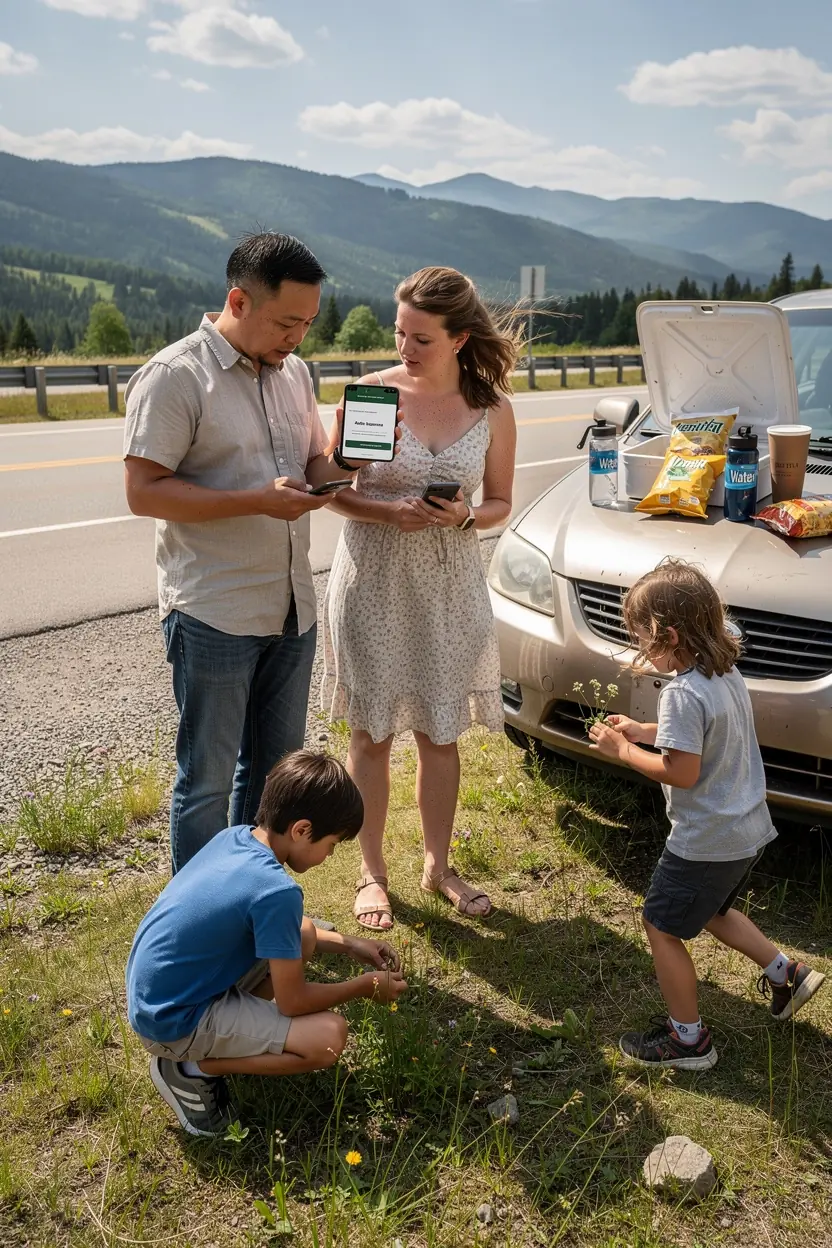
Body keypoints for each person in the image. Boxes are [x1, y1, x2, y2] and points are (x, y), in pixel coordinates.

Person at [124, 233, 361, 872]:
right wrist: (258, 499)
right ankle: (199, 924)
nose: (298, 338)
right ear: (238, 299)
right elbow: (144, 492)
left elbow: (311, 462)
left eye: (309, 324)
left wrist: (345, 462)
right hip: (214, 611)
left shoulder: (296, 373)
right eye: (288, 322)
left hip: (292, 609)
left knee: (274, 782)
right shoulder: (174, 377)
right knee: (205, 780)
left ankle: (252, 911)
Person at [323, 266, 519, 929]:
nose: (404, 349)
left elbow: (499, 503)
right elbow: (334, 490)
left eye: (421, 339)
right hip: (373, 581)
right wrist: (388, 511)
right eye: (399, 333)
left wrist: (464, 516)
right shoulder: (374, 396)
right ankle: (371, 873)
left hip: (450, 588)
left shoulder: (491, 407)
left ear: (461, 338)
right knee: (371, 734)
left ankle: (438, 865)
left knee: (441, 733)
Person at [589, 559, 825, 1070]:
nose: (639, 650)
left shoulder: (680, 692)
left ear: (668, 636)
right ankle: (788, 973)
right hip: (747, 830)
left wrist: (619, 750)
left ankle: (688, 1042)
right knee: (712, 912)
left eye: (641, 639)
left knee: (661, 926)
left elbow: (682, 771)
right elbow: (702, 739)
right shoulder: (723, 671)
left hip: (706, 839)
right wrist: (641, 730)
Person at [126, 750, 407, 1138]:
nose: (329, 855)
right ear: (302, 830)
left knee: (304, 934)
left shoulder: (236, 837)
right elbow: (293, 1002)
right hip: (173, 1023)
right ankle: (192, 1069)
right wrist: (363, 986)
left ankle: (228, 1034)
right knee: (328, 1039)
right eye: (333, 843)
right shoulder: (278, 891)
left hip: (158, 997)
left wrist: (350, 945)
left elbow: (295, 933)